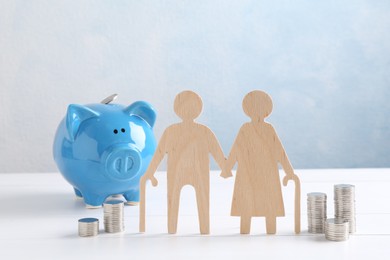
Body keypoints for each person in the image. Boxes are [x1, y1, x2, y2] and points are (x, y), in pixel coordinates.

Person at [141, 90, 228, 234]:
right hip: (183, 172)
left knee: (189, 199)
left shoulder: (174, 131)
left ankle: (178, 229)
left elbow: (160, 153)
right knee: (182, 199)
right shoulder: (201, 131)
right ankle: (198, 229)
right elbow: (160, 152)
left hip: (190, 172)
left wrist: (151, 173)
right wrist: (225, 168)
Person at [222, 90, 298, 234]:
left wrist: (227, 168)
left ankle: (262, 230)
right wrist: (227, 168)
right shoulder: (252, 129)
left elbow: (279, 151)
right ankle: (257, 230)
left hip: (260, 173)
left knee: (264, 203)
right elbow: (237, 149)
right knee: (253, 202)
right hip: (256, 173)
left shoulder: (261, 129)